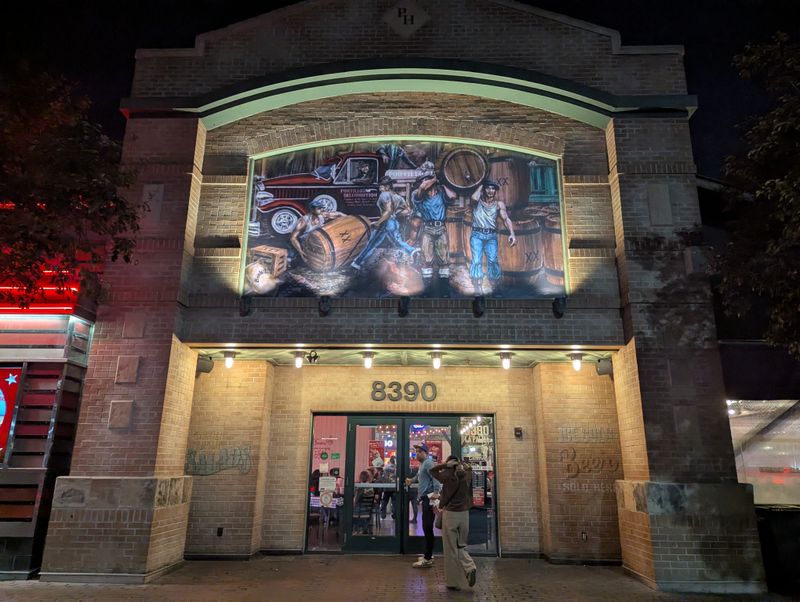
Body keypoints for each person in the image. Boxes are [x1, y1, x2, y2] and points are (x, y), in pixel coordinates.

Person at [351, 176, 418, 270]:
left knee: (372, 243)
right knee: (397, 242)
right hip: (394, 223)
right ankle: (413, 251)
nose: (380, 187)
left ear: (387, 186)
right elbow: (408, 210)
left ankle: (357, 262)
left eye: (382, 185)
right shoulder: (398, 197)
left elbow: (388, 211)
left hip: (386, 223)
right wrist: (397, 214)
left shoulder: (384, 195)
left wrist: (378, 223)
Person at [430, 456, 477, 590]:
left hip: (450, 514)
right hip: (464, 514)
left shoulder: (447, 477)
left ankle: (453, 582)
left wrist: (445, 465)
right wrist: (462, 464)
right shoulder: (466, 475)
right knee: (460, 546)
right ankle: (469, 567)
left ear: (450, 464)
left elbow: (432, 471)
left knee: (451, 549)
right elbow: (470, 468)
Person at [468, 179, 516, 295]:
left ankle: (495, 287)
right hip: (477, 235)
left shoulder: (499, 204)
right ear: (484, 190)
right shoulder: (477, 202)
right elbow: (473, 198)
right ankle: (477, 288)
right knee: (476, 261)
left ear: (495, 191)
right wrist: (480, 184)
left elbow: (506, 219)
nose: (490, 190)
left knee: (493, 261)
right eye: (488, 188)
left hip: (491, 236)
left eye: (493, 188)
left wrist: (512, 233)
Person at [411, 174, 457, 283]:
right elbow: (422, 187)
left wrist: (443, 183)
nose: (426, 183)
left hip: (441, 228)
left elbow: (452, 196)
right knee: (426, 259)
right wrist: (436, 178)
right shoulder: (418, 196)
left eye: (428, 181)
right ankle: (427, 287)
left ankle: (444, 287)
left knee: (443, 259)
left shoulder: (441, 195)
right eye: (424, 181)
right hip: (427, 229)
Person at [404, 443, 441, 567]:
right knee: (427, 527)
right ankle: (428, 555)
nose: (417, 453)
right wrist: (412, 480)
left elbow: (436, 478)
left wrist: (436, 492)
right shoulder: (423, 464)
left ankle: (428, 558)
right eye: (416, 451)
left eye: (419, 451)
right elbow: (419, 476)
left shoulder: (429, 463)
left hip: (429, 499)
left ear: (425, 452)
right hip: (425, 499)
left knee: (427, 527)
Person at [290, 198, 346, 263]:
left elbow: (339, 214)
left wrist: (351, 219)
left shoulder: (322, 215)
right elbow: (293, 238)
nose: (321, 210)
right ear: (312, 210)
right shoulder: (304, 221)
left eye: (321, 208)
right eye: (319, 208)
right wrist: (301, 252)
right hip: (305, 242)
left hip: (317, 239)